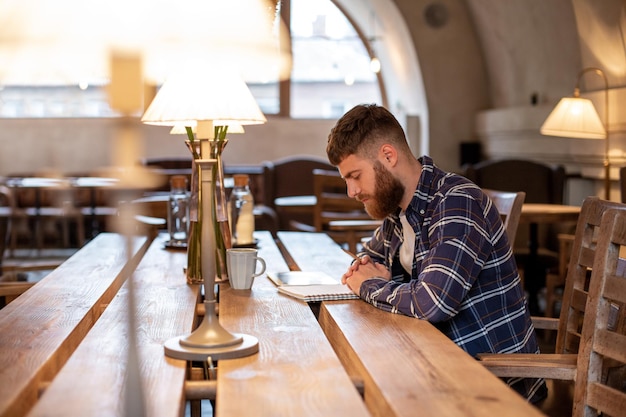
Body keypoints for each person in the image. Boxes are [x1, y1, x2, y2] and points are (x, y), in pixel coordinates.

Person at [326, 104, 546, 403]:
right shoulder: (397, 208)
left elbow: (434, 303)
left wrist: (370, 285)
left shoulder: (456, 202)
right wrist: (365, 273)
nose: (352, 191)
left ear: (388, 156)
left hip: (489, 382)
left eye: (355, 175)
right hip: (432, 358)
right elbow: (364, 263)